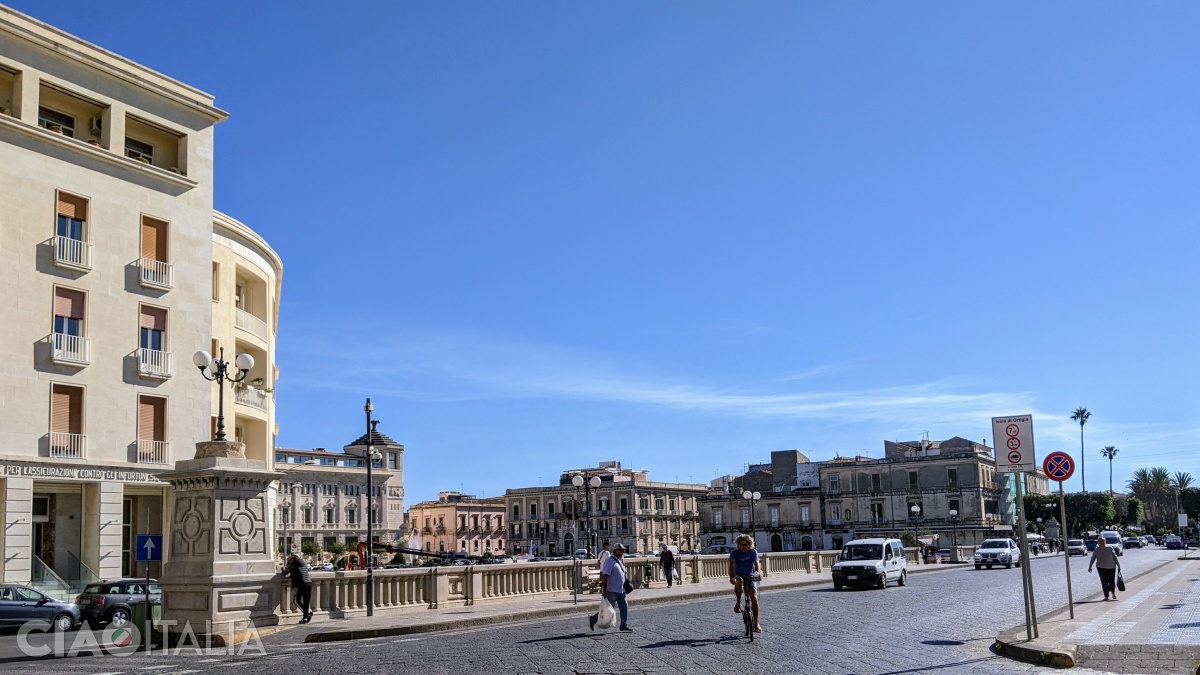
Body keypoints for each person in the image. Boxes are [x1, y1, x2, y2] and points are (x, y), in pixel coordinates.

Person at [589, 543, 632, 632]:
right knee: (607, 609)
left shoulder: (619, 560)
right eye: (621, 550)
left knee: (624, 606)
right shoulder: (609, 561)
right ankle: (593, 619)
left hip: (621, 589)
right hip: (612, 590)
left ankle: (623, 625)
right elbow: (605, 576)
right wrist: (605, 590)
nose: (623, 552)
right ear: (616, 551)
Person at [729, 534, 762, 633]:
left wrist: (758, 574)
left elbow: (756, 564)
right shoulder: (734, 553)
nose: (744, 547)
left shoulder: (753, 552)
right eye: (741, 544)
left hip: (750, 575)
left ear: (749, 545)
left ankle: (756, 624)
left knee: (754, 597)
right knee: (739, 581)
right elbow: (732, 566)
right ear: (738, 545)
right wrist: (732, 578)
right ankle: (738, 602)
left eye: (746, 544)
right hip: (739, 574)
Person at [1088, 536, 1122, 601]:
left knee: (1111, 581)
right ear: (1098, 542)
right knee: (1104, 581)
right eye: (1100, 541)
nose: (1102, 542)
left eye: (1103, 541)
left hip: (1111, 567)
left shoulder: (1110, 549)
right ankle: (1106, 596)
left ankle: (1113, 592)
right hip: (1101, 567)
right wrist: (1090, 566)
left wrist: (1118, 565)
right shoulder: (1096, 550)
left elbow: (1115, 557)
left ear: (1105, 542)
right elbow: (1093, 559)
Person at [286, 554, 313, 623]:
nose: (290, 561)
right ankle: (306, 617)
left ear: (293, 559)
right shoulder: (303, 563)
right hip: (308, 582)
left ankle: (307, 614)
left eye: (290, 560)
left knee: (296, 600)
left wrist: (284, 570)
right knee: (306, 601)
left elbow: (287, 572)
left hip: (302, 584)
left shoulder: (295, 564)